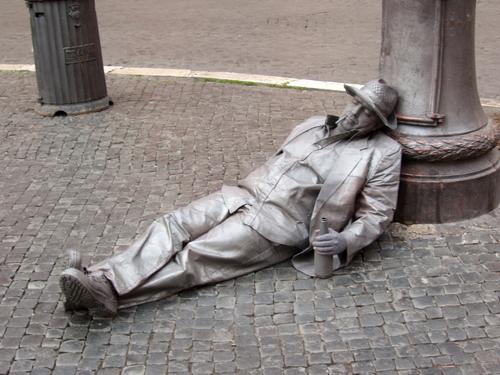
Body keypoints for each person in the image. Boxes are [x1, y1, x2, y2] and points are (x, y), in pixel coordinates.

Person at [60, 79, 402, 315]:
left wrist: (344, 241)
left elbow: (378, 215)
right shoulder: (313, 124)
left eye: (367, 111)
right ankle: (99, 276)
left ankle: (108, 296)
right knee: (171, 224)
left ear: (378, 122)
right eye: (356, 102)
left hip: (278, 224)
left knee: (197, 256)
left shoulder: (381, 153)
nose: (355, 113)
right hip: (239, 195)